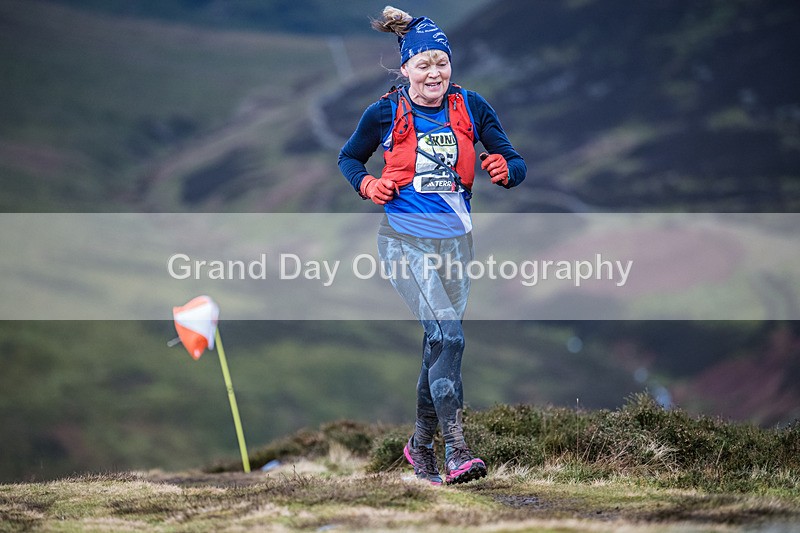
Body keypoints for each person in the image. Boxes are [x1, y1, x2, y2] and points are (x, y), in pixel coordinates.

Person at [338, 6, 526, 485]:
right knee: (451, 336)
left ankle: (419, 448)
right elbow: (349, 158)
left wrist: (507, 171)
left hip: (457, 247)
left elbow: (513, 158)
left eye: (441, 62)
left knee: (436, 345)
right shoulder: (385, 111)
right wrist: (367, 186)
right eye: (423, 64)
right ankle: (457, 452)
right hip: (404, 244)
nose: (434, 73)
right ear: (405, 69)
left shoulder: (472, 106)